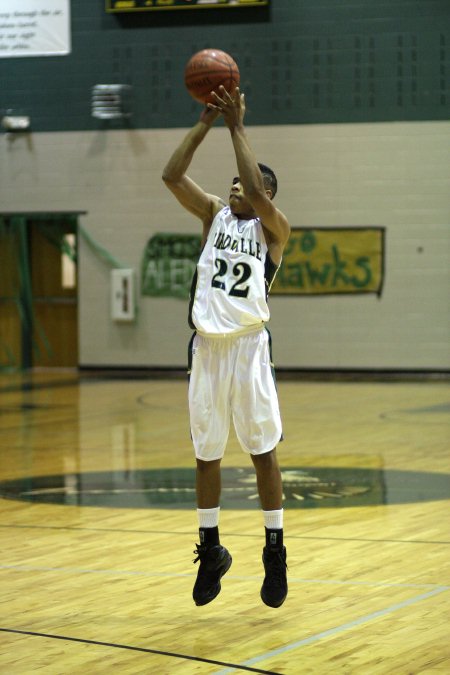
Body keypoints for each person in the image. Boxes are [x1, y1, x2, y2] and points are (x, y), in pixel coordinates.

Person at [162, 86, 291, 608]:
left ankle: (275, 549)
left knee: (262, 451)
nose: (237, 186)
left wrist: (239, 126)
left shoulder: (274, 229)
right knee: (206, 454)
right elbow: (171, 176)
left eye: (248, 184)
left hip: (249, 348)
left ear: (266, 195)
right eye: (234, 181)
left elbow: (259, 197)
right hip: (208, 349)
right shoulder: (213, 215)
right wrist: (206, 123)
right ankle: (212, 548)